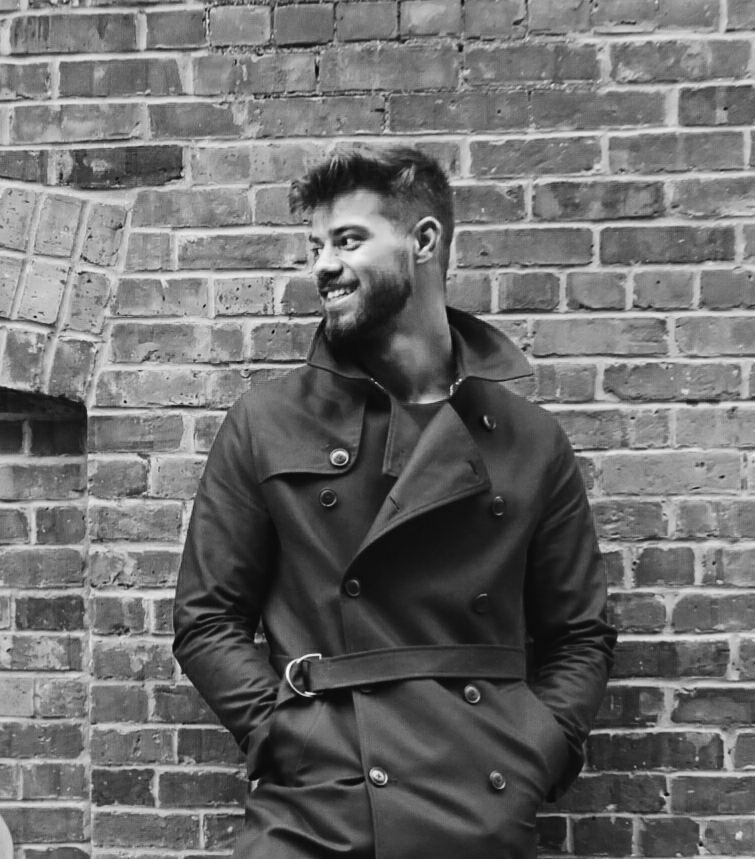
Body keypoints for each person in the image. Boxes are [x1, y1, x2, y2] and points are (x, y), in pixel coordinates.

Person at [173, 145, 617, 859]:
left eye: (348, 240)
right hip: (315, 809)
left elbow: (579, 635)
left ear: (423, 242)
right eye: (315, 247)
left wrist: (539, 745)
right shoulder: (267, 421)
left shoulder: (529, 439)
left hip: (480, 801)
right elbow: (206, 620)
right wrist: (285, 735)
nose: (323, 265)